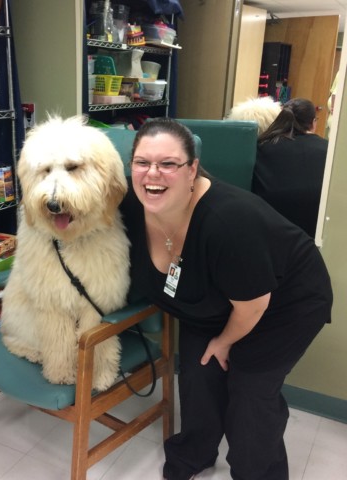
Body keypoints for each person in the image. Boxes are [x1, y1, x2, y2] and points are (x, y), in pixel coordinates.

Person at [120, 117, 333, 480]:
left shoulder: (229, 220)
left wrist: (224, 342)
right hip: (212, 300)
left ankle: (258, 473)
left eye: (168, 164)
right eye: (142, 162)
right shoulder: (129, 203)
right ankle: (194, 454)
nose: (152, 174)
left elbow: (253, 305)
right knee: (197, 375)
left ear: (192, 170)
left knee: (250, 389)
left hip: (284, 303)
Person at [252, 98, 328, 238]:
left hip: (268, 228)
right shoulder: (329, 150)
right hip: (315, 232)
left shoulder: (262, 146)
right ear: (313, 123)